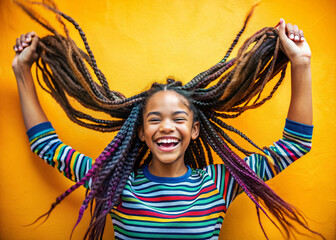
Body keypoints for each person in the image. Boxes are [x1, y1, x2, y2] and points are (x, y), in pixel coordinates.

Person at [12, 2, 322, 239]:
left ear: (195, 130)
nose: (167, 126)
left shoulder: (219, 184)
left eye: (178, 118)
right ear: (142, 132)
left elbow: (295, 144)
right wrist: (22, 70)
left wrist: (301, 61)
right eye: (155, 119)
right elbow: (46, 145)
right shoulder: (115, 183)